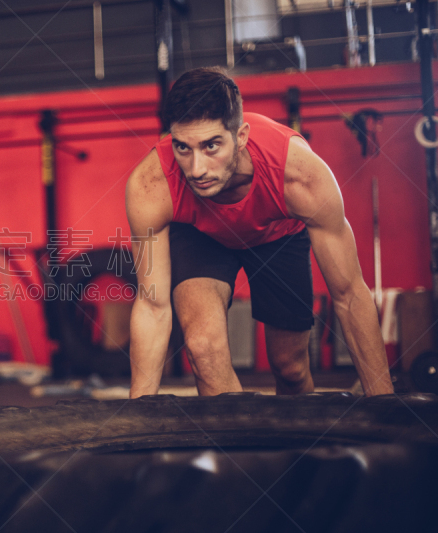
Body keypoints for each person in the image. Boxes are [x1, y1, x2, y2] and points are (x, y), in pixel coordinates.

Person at [125, 67, 394, 398]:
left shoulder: (300, 175)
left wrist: (385, 405)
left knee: (291, 368)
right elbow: (152, 305)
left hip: (277, 234)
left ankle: (298, 431)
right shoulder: (151, 185)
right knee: (203, 350)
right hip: (201, 236)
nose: (197, 169)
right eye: (182, 147)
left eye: (211, 146)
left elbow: (349, 294)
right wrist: (137, 418)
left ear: (241, 137)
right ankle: (235, 436)